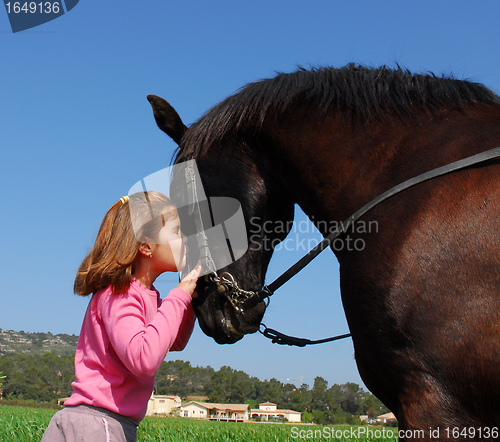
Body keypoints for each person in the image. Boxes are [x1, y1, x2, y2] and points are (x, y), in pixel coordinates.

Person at [42, 191, 201, 442]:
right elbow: (144, 358)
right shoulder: (121, 293)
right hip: (99, 424)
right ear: (146, 245)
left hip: (93, 422)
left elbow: (174, 340)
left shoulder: (143, 294)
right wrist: (179, 296)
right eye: (177, 232)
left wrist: (189, 298)